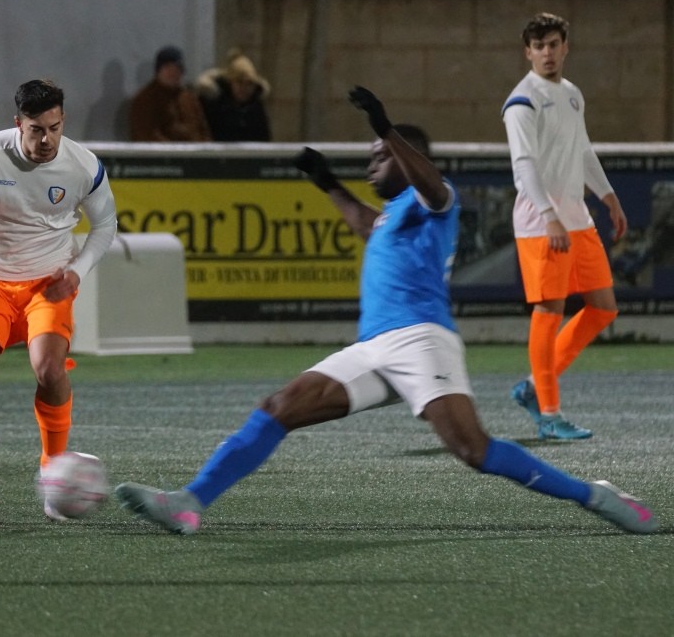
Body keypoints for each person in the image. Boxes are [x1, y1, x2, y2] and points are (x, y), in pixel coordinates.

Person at [114, 86, 658, 537]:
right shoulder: (393, 213)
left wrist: (386, 127)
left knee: (473, 450)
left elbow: (430, 185)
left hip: (422, 341)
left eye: (380, 156)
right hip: (374, 348)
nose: (371, 164)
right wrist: (327, 183)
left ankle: (595, 496)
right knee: (279, 407)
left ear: (404, 156)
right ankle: (189, 503)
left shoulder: (435, 199)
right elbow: (363, 222)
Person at [0, 79, 117, 531]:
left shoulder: (84, 165)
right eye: (36, 129)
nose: (46, 139)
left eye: (54, 128)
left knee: (50, 371)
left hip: (47, 283)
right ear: (18, 123)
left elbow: (105, 224)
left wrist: (77, 271)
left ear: (62, 121)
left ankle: (54, 476)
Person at [501, 12, 627, 440]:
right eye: (539, 46)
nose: (547, 53)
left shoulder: (572, 94)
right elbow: (523, 166)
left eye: (553, 44)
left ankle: (533, 386)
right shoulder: (522, 101)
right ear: (528, 52)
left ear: (565, 47)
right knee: (549, 311)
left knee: (604, 307)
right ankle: (549, 413)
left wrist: (608, 195)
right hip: (542, 224)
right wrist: (549, 214)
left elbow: (583, 149)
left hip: (576, 219)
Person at [129, 46, 211, 142]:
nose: (173, 73)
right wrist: (176, 150)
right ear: (158, 71)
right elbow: (148, 136)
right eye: (167, 68)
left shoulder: (189, 98)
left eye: (177, 68)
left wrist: (205, 147)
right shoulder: (145, 100)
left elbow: (203, 130)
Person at [195, 48, 272, 142]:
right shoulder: (212, 104)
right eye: (239, 82)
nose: (244, 88)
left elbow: (264, 138)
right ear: (230, 83)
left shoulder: (256, 107)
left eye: (249, 84)